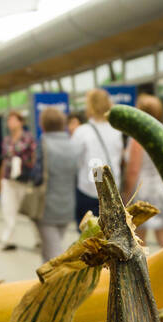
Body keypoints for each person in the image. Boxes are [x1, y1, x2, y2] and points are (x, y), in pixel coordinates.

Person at [122, 93, 163, 247]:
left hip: (143, 191)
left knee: (139, 240)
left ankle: (146, 271)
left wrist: (126, 196)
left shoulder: (139, 135)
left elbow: (133, 170)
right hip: (162, 189)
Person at [71, 89, 124, 226]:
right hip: (112, 190)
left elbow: (73, 160)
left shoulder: (82, 131)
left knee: (87, 236)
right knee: (110, 235)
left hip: (88, 189)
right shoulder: (117, 130)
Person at [34, 106, 79, 261]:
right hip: (67, 205)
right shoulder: (73, 144)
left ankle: (58, 283)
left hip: (46, 207)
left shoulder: (44, 144)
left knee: (53, 253)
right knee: (51, 247)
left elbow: (36, 176)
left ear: (43, 125)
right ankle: (47, 282)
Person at [0, 109, 37, 251]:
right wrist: (1, 180)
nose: (10, 123)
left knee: (31, 210)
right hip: (9, 180)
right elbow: (4, 160)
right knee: (8, 210)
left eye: (13, 120)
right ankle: (8, 240)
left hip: (24, 180)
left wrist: (34, 176)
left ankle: (39, 238)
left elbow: (34, 157)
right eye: (9, 120)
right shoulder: (7, 140)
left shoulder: (28, 138)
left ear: (20, 122)